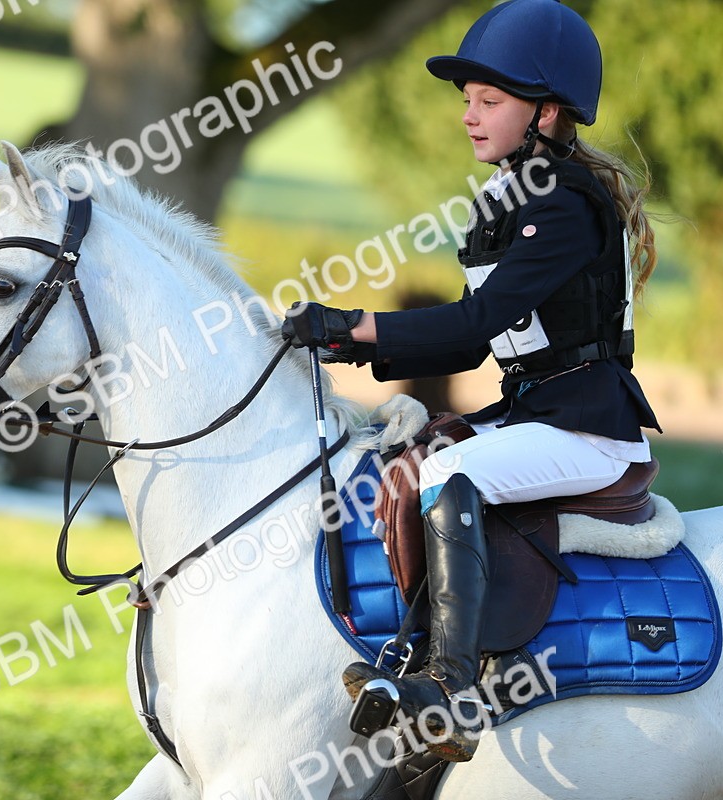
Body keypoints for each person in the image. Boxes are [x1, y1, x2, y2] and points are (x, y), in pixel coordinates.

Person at [281, 0, 662, 762]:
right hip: (541, 415)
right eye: (467, 100)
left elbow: (468, 327)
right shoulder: (521, 196)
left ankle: (449, 686)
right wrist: (348, 345)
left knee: (451, 469)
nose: (470, 115)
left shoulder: (558, 206)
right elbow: (468, 342)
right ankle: (412, 647)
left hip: (589, 431)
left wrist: (350, 327)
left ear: (548, 112)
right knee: (413, 456)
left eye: (490, 100)